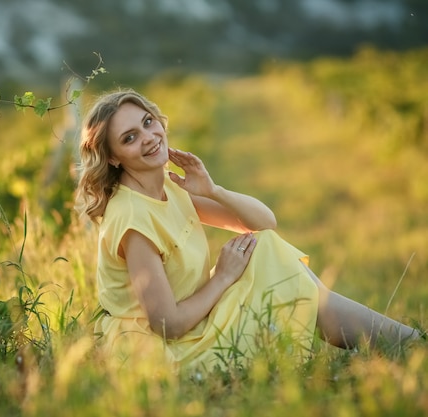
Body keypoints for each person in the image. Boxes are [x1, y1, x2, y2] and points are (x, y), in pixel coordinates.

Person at [74, 88, 421, 373]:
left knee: (269, 250)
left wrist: (211, 190)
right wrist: (223, 278)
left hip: (192, 323)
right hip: (165, 353)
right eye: (130, 137)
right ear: (114, 157)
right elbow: (167, 325)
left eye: (148, 122)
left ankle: (407, 343)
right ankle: (408, 344)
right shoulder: (133, 220)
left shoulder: (168, 184)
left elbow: (264, 222)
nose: (149, 138)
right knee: (288, 275)